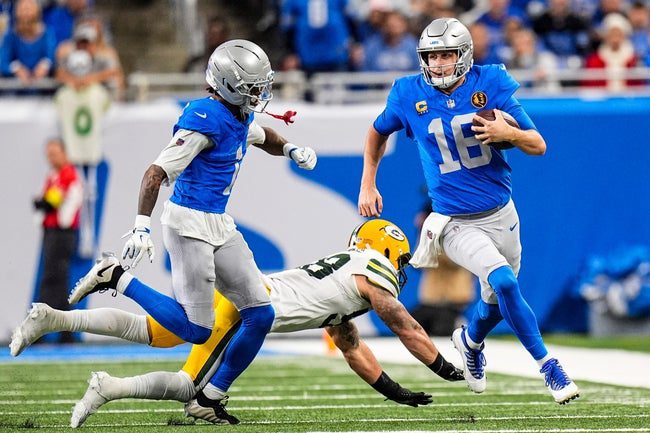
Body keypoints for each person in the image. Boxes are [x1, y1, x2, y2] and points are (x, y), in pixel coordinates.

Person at [66, 39, 317, 416]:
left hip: (219, 223)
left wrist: (291, 149)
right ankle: (117, 277)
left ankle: (209, 398)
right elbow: (155, 173)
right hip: (188, 224)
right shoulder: (205, 119)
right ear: (230, 85)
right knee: (197, 330)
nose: (260, 94)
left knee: (261, 314)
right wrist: (140, 226)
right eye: (252, 87)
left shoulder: (237, 115)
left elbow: (263, 136)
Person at [11, 219, 463, 426]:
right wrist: (445, 367)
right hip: (247, 309)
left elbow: (351, 347)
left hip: (243, 297)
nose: (401, 267)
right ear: (383, 250)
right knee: (192, 391)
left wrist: (394, 391)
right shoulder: (370, 270)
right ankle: (107, 385)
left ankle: (54, 317)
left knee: (154, 333)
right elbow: (407, 326)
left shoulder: (347, 282)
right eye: (399, 258)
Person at [357, 17, 579, 404]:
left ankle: (470, 341)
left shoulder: (490, 82)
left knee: (495, 301)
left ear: (464, 55)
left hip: (501, 212)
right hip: (453, 221)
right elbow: (378, 131)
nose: (439, 64)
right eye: (432, 56)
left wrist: (509, 134)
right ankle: (548, 366)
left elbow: (538, 144)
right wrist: (368, 182)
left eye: (446, 55)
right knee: (505, 282)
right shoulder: (408, 93)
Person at [30, 138, 83, 343]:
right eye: (48, 154)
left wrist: (44, 203)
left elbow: (50, 202)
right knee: (56, 280)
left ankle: (44, 328)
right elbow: (45, 203)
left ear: (64, 153)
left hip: (62, 232)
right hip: (52, 231)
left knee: (53, 279)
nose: (51, 158)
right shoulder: (53, 175)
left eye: (54, 153)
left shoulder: (67, 174)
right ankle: (64, 330)